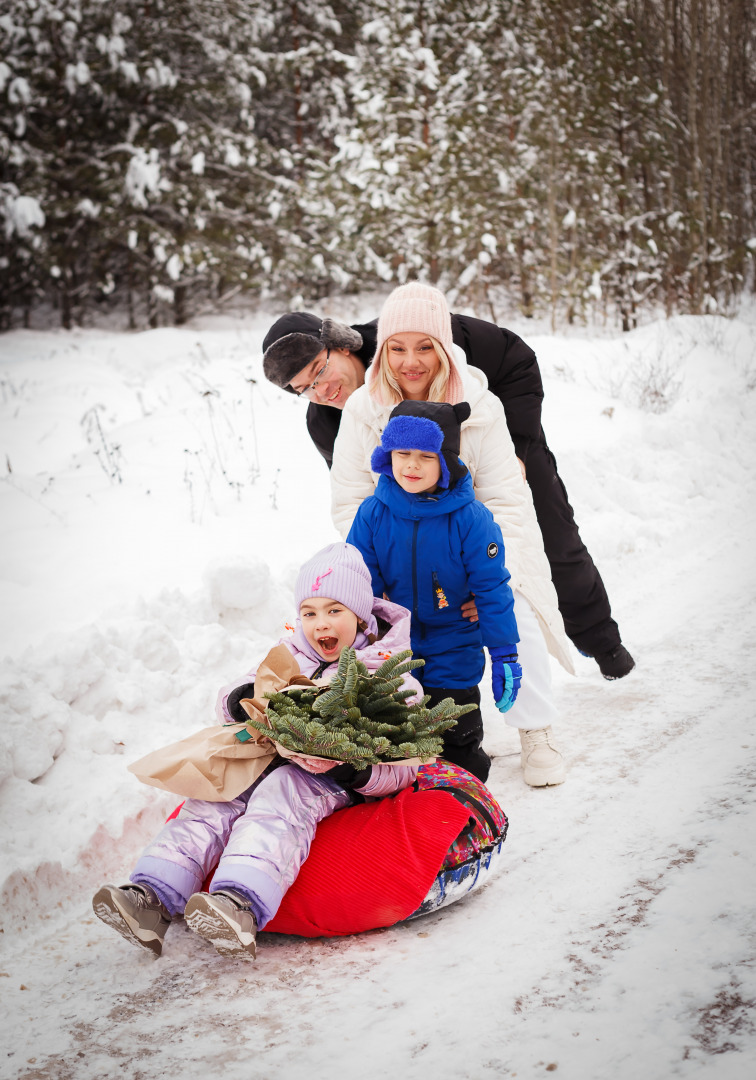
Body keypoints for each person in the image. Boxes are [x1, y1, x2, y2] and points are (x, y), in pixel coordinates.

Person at [262, 307, 635, 681]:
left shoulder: (413, 332)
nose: (321, 391)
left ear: (342, 345)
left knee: (553, 539)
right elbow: (357, 502)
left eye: (319, 371)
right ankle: (447, 697)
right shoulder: (328, 422)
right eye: (304, 389)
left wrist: (518, 446)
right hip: (416, 496)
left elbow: (516, 360)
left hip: (495, 448)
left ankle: (601, 641)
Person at [92, 543, 423, 960]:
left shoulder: (387, 672)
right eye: (310, 612)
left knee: (282, 792)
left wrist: (347, 767)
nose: (321, 623)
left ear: (359, 614)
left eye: (335, 610)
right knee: (216, 797)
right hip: (270, 756)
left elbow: (403, 764)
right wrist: (245, 699)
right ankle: (151, 897)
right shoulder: (291, 655)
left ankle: (240, 905)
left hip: (331, 779)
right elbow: (233, 696)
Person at [329, 282, 572, 787]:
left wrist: (481, 579)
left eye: (424, 347)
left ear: (444, 348)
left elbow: (505, 497)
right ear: (382, 352)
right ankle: (395, 739)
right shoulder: (362, 408)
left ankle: (536, 728)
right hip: (394, 552)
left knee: (514, 609)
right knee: (377, 639)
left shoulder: (481, 406)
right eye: (397, 348)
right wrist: (375, 577)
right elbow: (351, 499)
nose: (409, 361)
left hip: (469, 546)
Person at [346, 399, 523, 785]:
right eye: (402, 453)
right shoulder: (373, 513)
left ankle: (463, 800)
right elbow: (359, 584)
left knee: (456, 741)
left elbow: (492, 588)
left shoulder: (471, 519)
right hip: (394, 646)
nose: (411, 465)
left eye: (425, 456)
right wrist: (360, 645)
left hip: (454, 640)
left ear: (445, 461)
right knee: (394, 740)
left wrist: (504, 652)